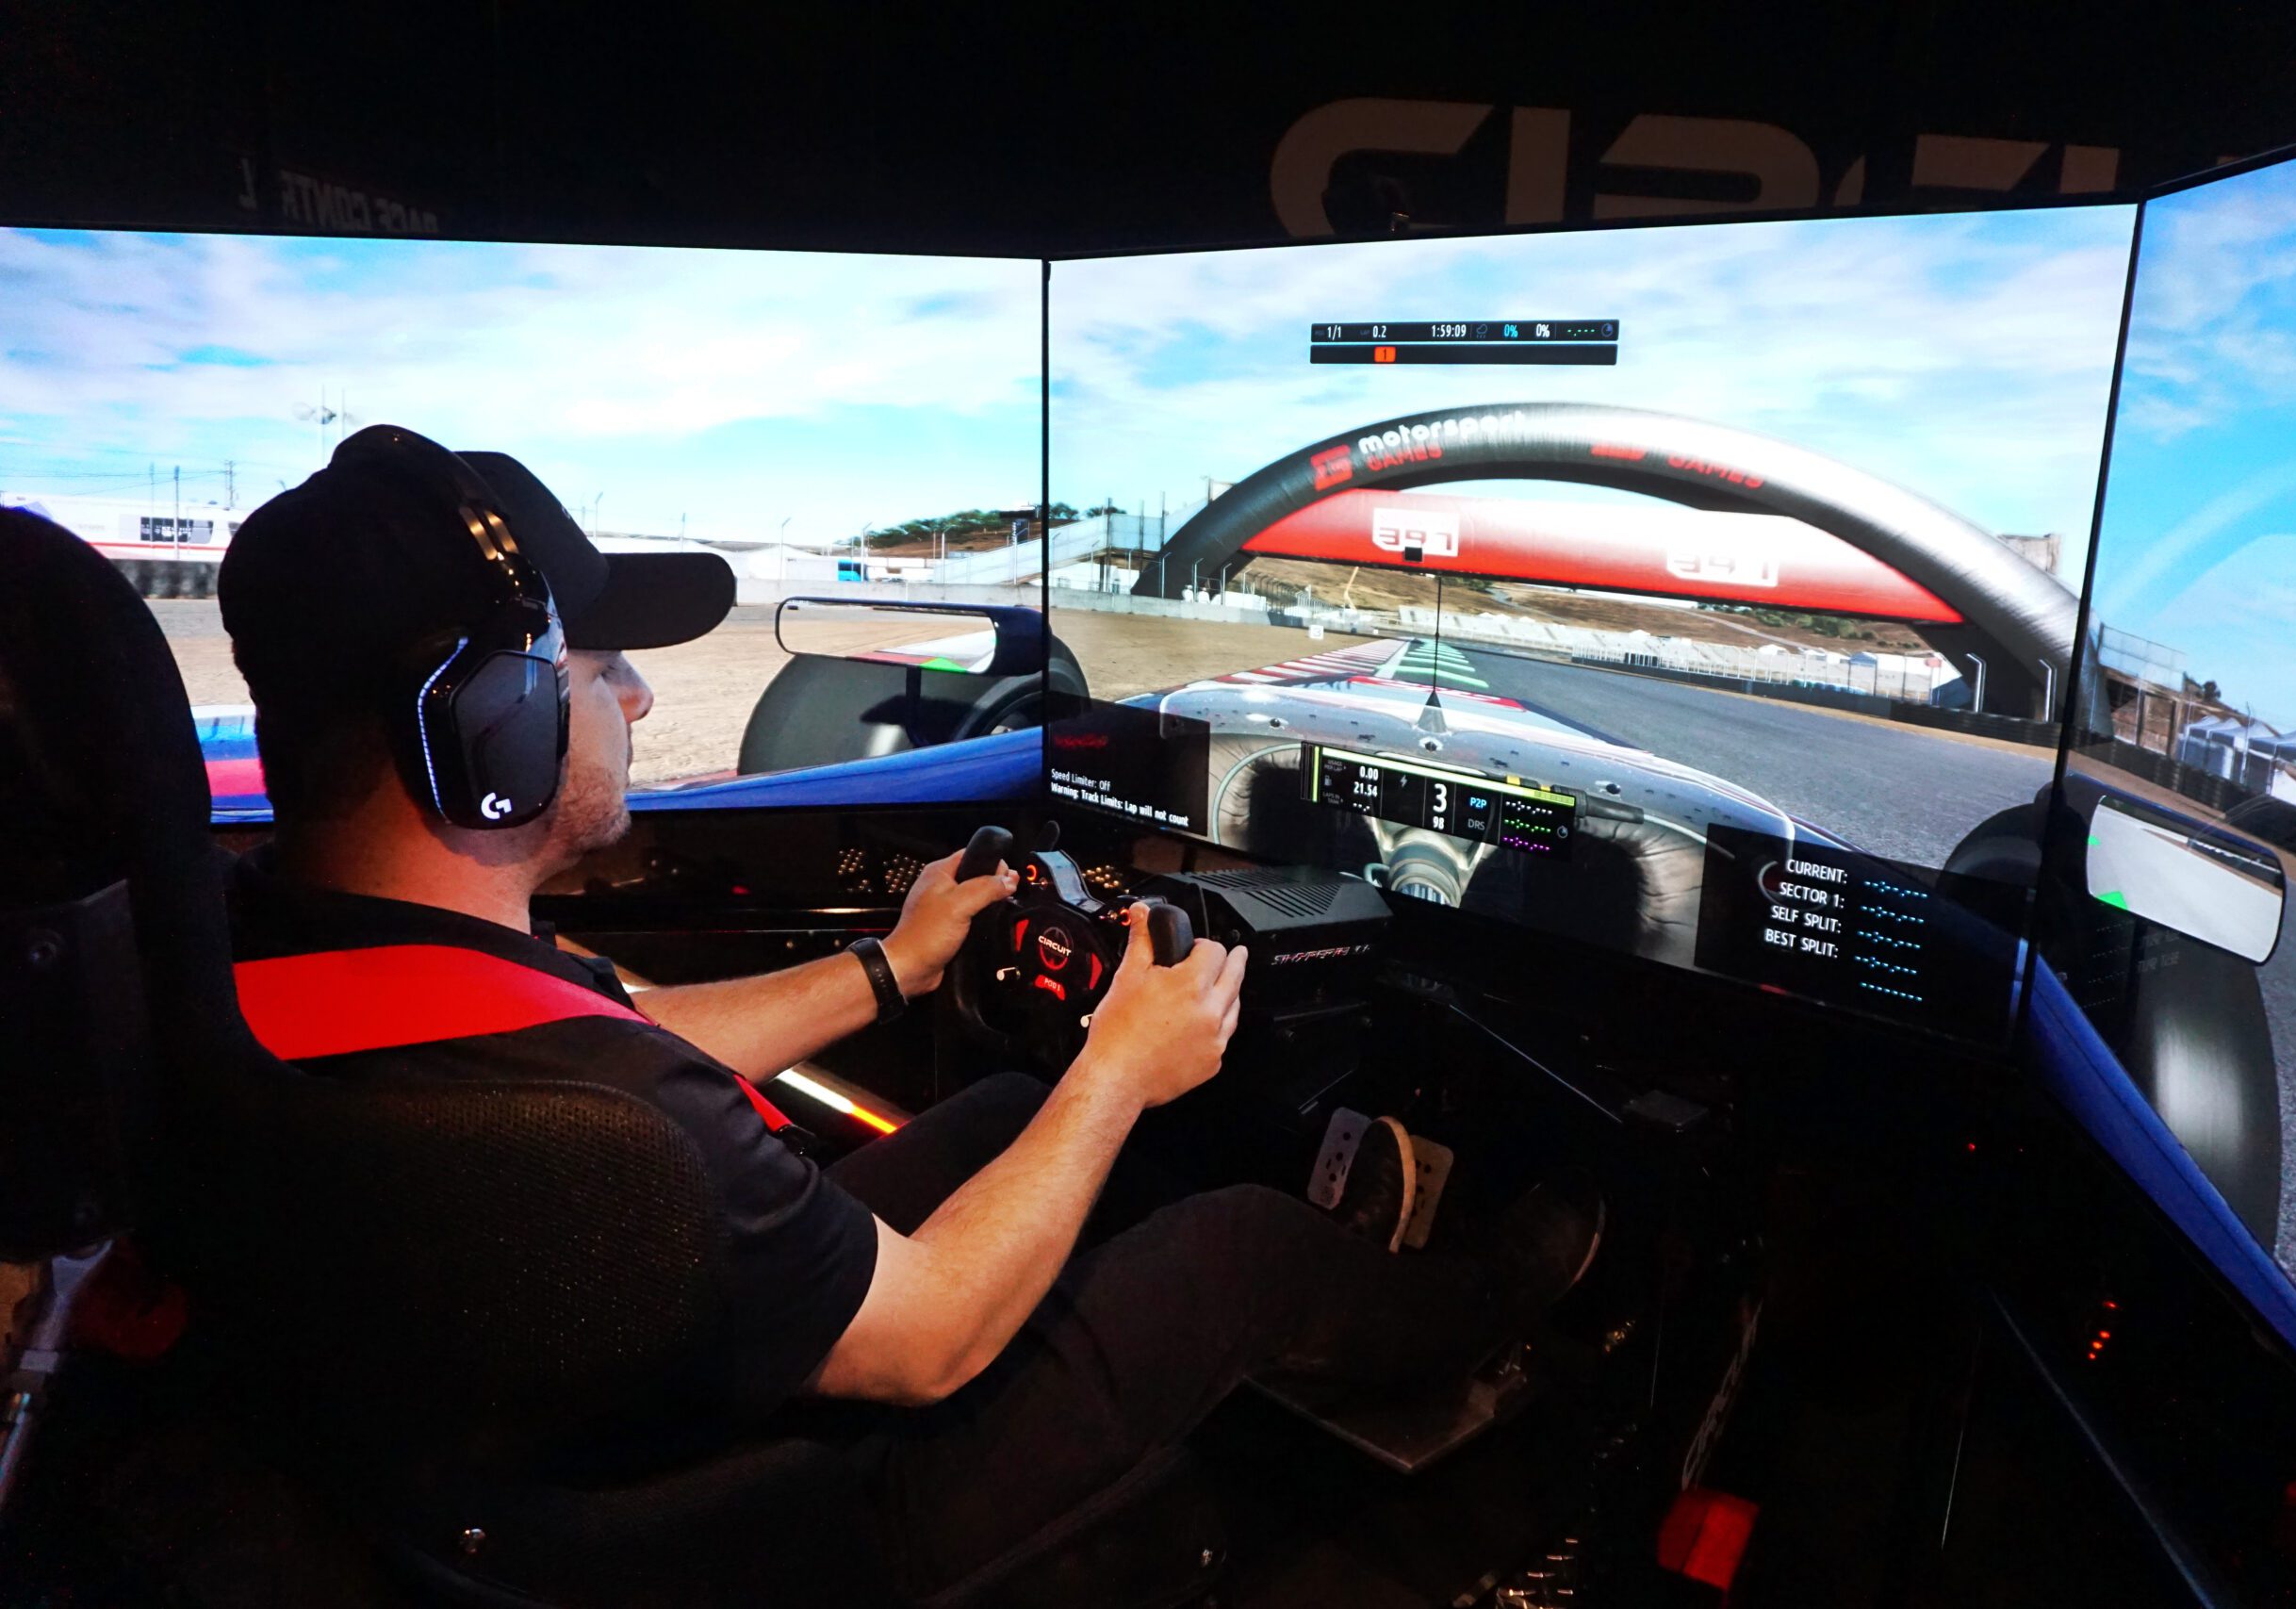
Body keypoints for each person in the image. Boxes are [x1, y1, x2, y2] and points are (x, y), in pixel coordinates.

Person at [215, 425, 1602, 1600]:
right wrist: (1121, 1070)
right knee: (1241, 1249)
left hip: (550, 1430)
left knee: (1007, 1112)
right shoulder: (608, 1139)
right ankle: (1491, 1313)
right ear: (492, 729)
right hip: (785, 1524)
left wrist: (895, 963)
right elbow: (931, 1339)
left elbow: (635, 1036)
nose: (635, 693)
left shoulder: (286, 957)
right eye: (598, 670)